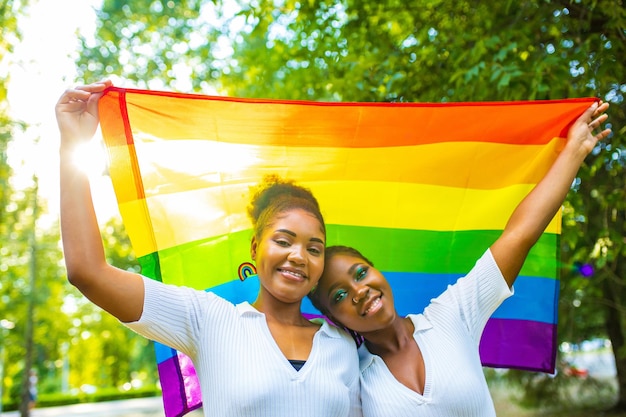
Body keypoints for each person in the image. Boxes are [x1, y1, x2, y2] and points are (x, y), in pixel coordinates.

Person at [55, 80, 361, 417]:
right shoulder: (208, 319)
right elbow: (88, 272)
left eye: (314, 248)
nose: (298, 256)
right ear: (256, 248)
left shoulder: (342, 345)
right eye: (284, 241)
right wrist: (71, 145)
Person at [309, 101, 611, 417]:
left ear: (376, 270)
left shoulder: (450, 315)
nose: (359, 292)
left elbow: (519, 235)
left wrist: (576, 148)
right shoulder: (349, 375)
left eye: (360, 273)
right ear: (332, 316)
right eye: (340, 295)